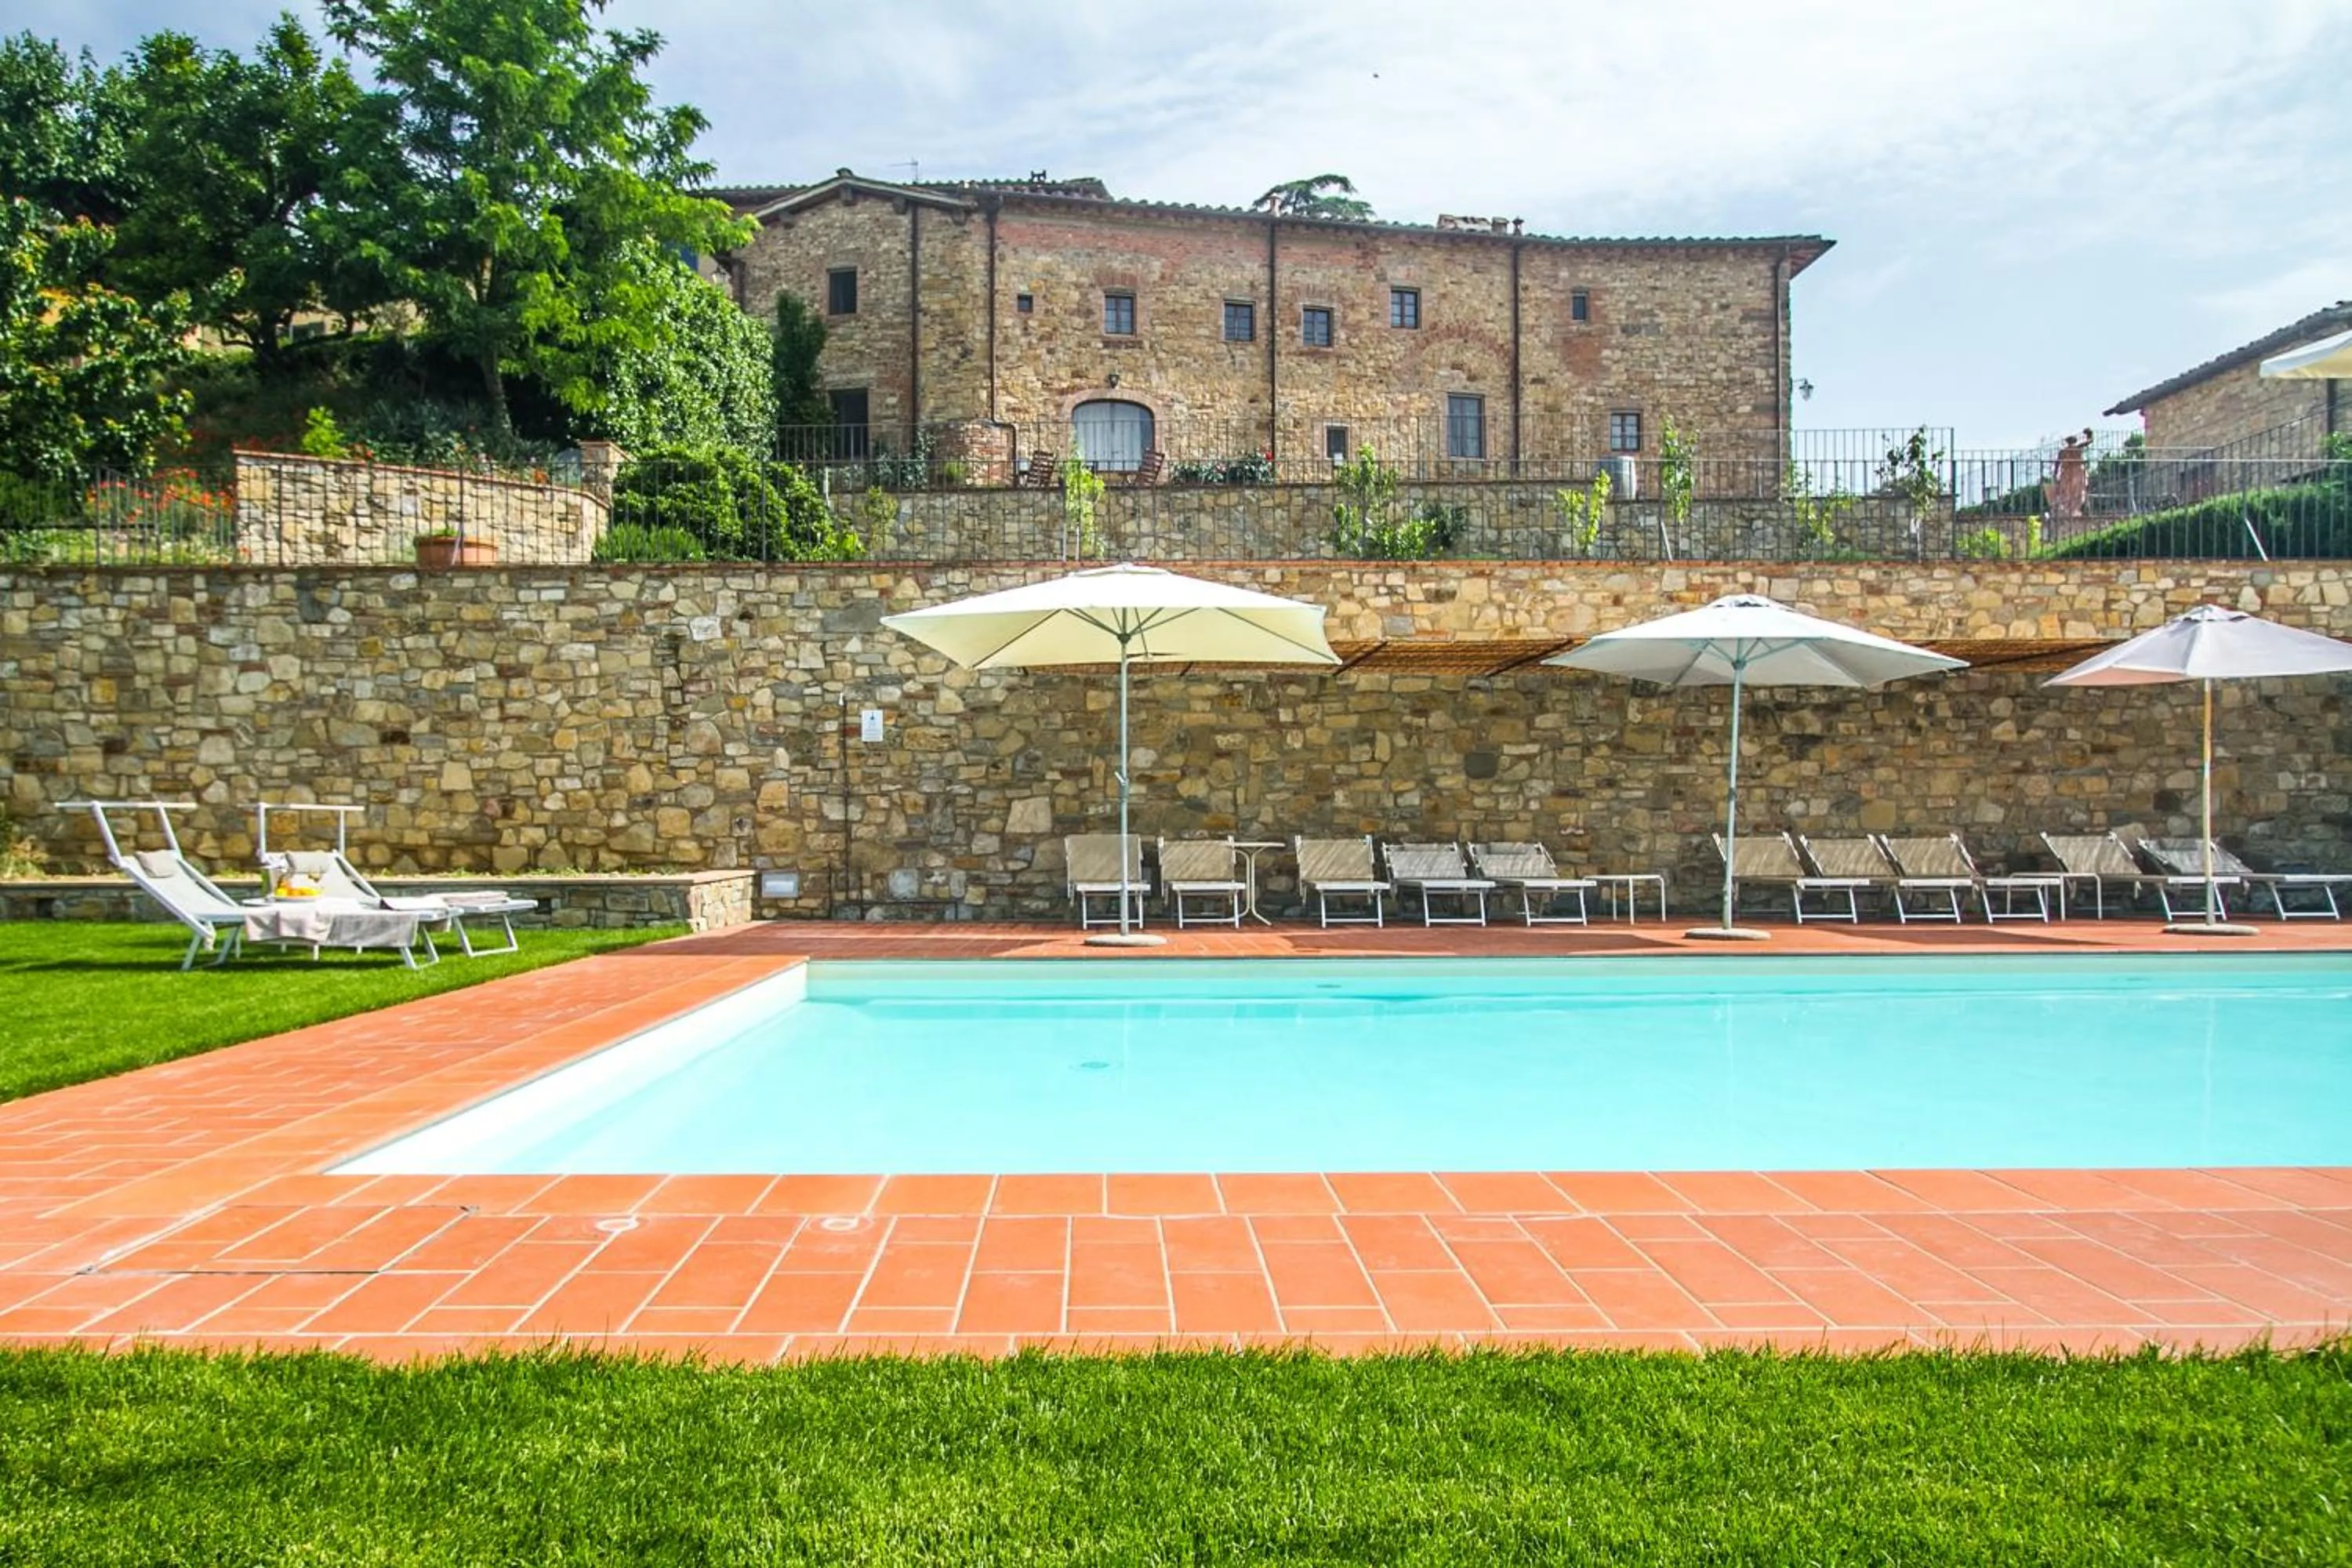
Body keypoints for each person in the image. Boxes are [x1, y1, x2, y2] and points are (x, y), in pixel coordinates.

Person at [2049, 428, 2092, 520]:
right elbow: (2090, 441)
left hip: (2068, 473)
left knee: (2068, 494)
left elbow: (2058, 463)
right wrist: (2089, 434)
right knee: (2078, 493)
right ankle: (2074, 511)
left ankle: (2072, 511)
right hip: (2077, 472)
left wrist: (2055, 473)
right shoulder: (2078, 448)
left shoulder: (2063, 451)